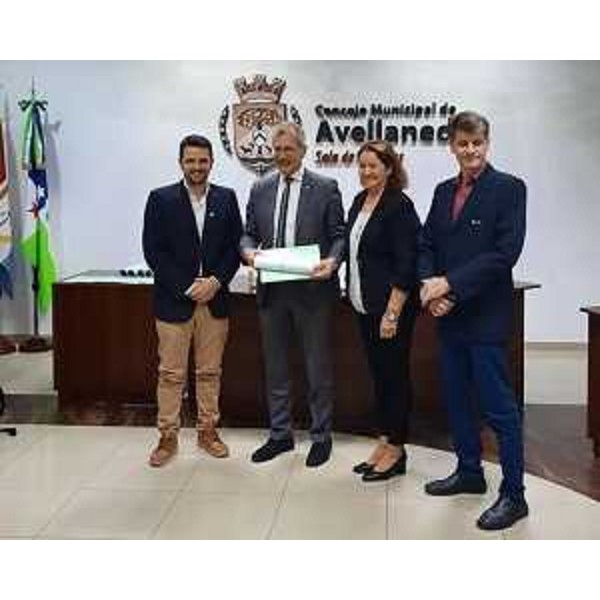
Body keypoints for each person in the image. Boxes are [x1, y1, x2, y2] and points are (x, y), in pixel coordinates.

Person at [418, 111, 528, 530]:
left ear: (487, 143)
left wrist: (449, 285)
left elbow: (504, 254)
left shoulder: (509, 188)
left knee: (499, 410)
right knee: (458, 400)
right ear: (452, 146)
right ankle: (469, 472)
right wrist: (430, 287)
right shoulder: (443, 191)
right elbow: (427, 243)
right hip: (448, 318)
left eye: (477, 143)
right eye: (462, 144)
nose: (470, 151)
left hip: (485, 318)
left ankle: (514, 495)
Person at [240, 122, 345, 468]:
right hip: (272, 290)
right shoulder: (260, 188)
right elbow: (248, 234)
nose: (282, 156)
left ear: (303, 150)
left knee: (317, 368)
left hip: (313, 291)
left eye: (289, 149)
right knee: (276, 368)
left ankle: (321, 436)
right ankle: (280, 434)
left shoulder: (326, 188)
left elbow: (339, 235)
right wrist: (248, 252)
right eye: (278, 150)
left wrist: (333, 261)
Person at [143, 134, 243, 467]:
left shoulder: (226, 199)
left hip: (215, 300)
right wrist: (188, 287)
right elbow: (154, 252)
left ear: (211, 162)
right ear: (181, 163)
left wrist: (215, 281)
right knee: (171, 374)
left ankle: (208, 432)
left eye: (202, 161)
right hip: (174, 301)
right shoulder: (160, 199)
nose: (197, 166)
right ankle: (167, 437)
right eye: (190, 160)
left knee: (209, 372)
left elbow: (235, 248)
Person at [346, 141, 420, 482]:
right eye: (362, 166)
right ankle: (385, 441)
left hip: (391, 310)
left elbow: (407, 264)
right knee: (379, 377)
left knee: (395, 379)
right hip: (364, 305)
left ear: (389, 168)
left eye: (373, 166)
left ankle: (397, 449)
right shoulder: (359, 201)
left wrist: (392, 314)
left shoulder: (399, 206)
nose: (366, 172)